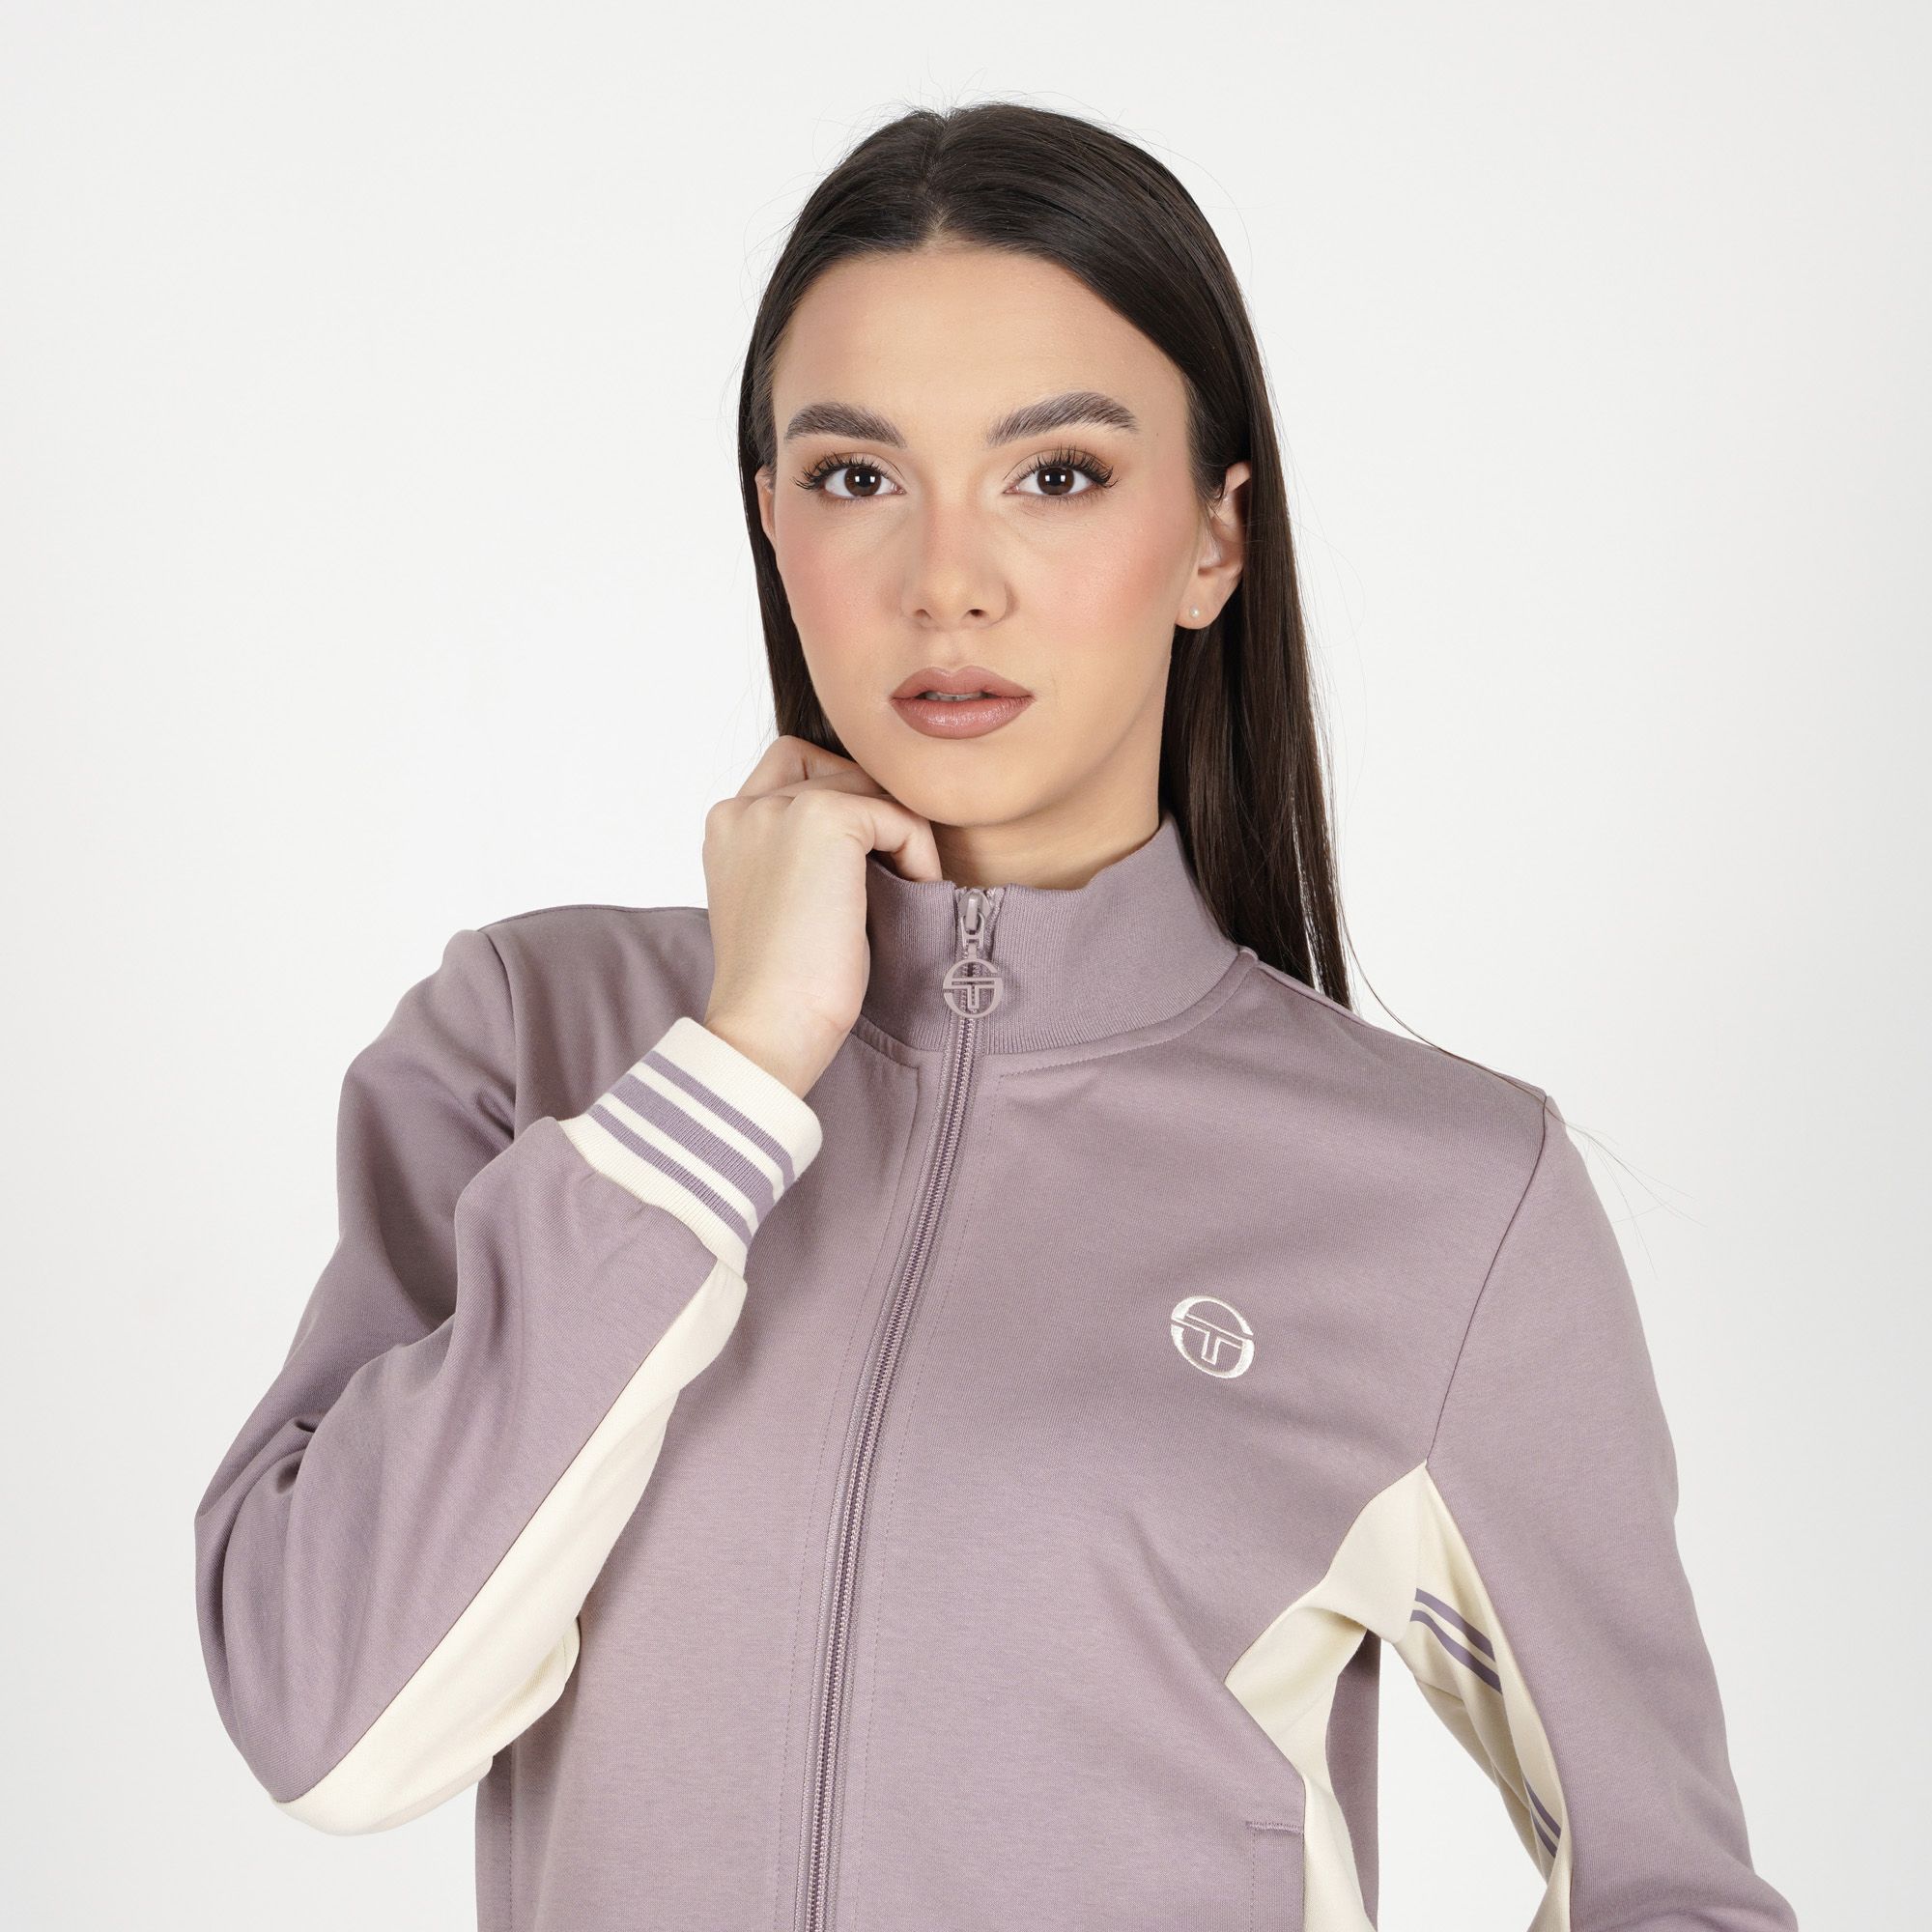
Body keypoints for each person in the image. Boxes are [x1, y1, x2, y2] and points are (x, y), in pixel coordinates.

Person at [191, 100, 1800, 1932]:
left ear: (1214, 541)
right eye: (855, 477)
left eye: (1058, 475)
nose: (947, 579)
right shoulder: (536, 1042)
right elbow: (328, 1722)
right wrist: (737, 1067)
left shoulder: (1444, 1198)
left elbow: (1670, 1887)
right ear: (773, 523)